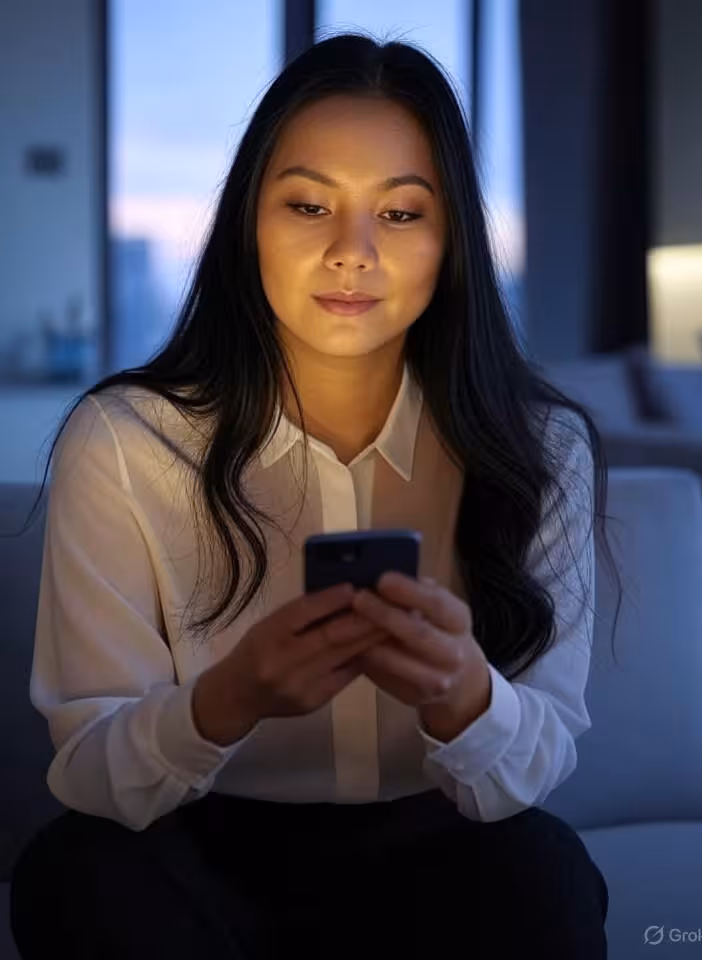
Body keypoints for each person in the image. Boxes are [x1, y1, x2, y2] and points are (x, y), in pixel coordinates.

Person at [10, 32, 618, 960]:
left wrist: (463, 695)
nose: (353, 252)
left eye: (403, 213)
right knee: (74, 872)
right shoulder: (129, 440)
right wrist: (228, 699)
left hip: (438, 848)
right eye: (307, 205)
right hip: (196, 845)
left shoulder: (540, 449)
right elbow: (88, 769)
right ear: (247, 221)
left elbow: (531, 769)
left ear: (453, 237)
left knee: (549, 874)